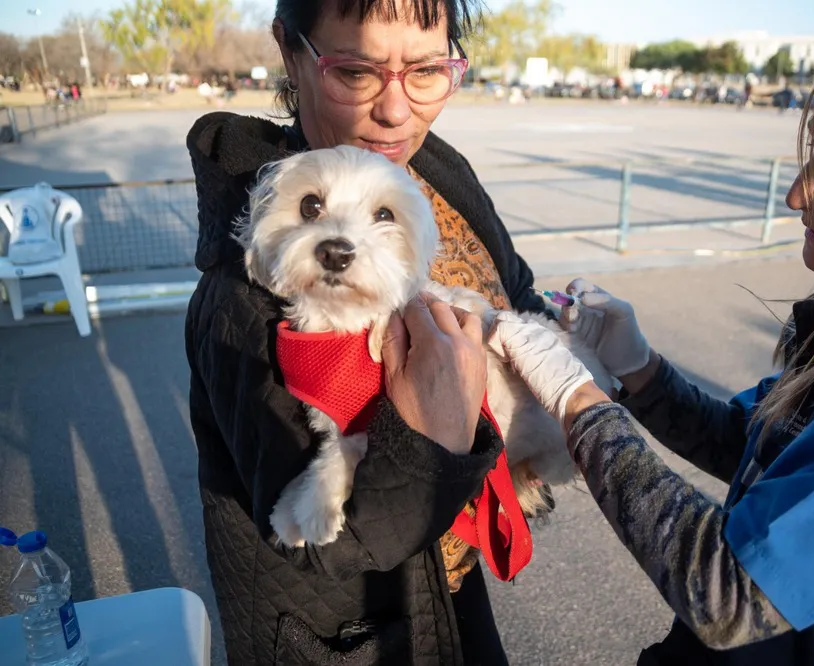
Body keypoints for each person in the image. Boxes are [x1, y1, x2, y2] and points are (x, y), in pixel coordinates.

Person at [481, 13, 814, 666]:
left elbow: (730, 597)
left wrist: (575, 398)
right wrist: (639, 371)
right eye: (812, 153)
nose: (796, 193)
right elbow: (752, 449)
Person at [184, 0, 545, 663]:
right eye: (356, 72)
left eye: (427, 70)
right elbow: (334, 544)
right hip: (345, 633)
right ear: (290, 53)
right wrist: (439, 430)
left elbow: (515, 288)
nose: (396, 110)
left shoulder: (439, 172)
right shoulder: (244, 292)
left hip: (451, 575)